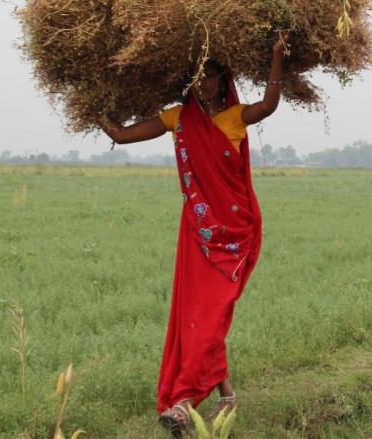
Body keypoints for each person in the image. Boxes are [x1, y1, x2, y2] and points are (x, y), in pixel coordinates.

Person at [99, 38, 287, 436]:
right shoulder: (178, 118)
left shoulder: (235, 117)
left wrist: (275, 57)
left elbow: (268, 107)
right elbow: (122, 134)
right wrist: (93, 99)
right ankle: (219, 396)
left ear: (223, 81)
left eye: (210, 78)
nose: (202, 85)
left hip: (234, 236)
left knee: (212, 314)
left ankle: (183, 401)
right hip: (197, 236)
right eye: (197, 78)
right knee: (198, 315)